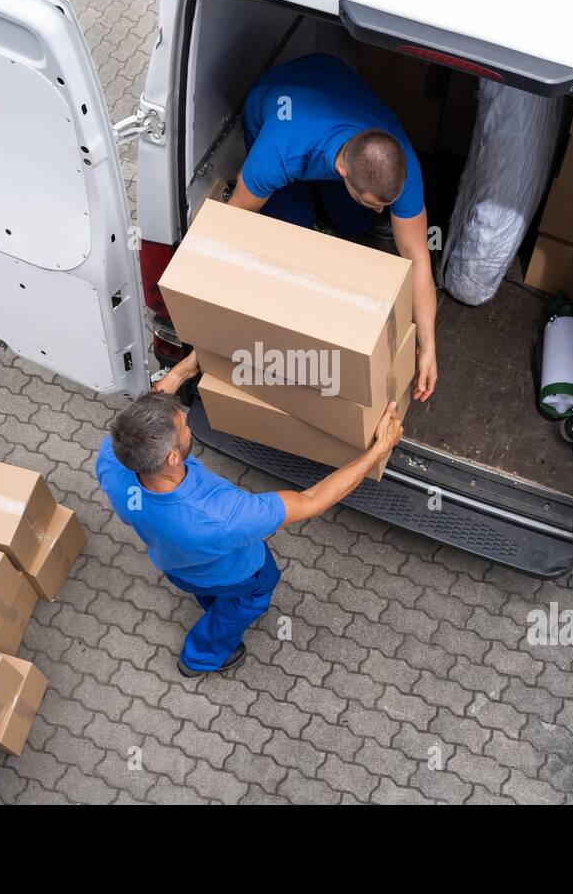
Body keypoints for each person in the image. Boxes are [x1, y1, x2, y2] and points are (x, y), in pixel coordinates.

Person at [95, 351, 403, 677]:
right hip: (237, 574)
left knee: (208, 590)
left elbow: (140, 419)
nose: (187, 419)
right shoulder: (221, 517)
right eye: (184, 425)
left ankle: (213, 607)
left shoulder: (115, 458)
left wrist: (182, 371)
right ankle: (200, 657)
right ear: (172, 457)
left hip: (175, 562)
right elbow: (312, 500)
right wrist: (379, 451)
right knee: (246, 602)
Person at [229, 52, 438, 402]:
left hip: (330, 75)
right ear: (343, 173)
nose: (389, 210)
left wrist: (427, 344)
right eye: (379, 203)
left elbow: (417, 258)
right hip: (282, 100)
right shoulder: (279, 152)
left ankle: (348, 212)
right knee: (293, 228)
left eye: (390, 202)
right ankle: (305, 216)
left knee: (355, 221)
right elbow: (234, 219)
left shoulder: (400, 162)